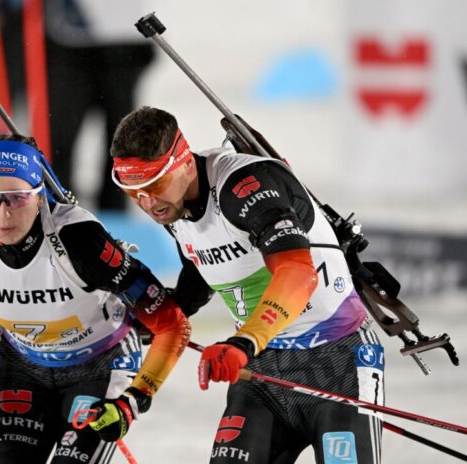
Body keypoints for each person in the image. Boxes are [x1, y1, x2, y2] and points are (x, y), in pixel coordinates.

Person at [109, 107, 384, 463]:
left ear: (185, 162)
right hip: (261, 372)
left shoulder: (243, 187)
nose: (147, 202)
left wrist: (243, 341)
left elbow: (298, 273)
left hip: (336, 358)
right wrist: (157, 315)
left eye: (154, 185)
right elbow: (201, 268)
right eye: (133, 192)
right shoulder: (173, 206)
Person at [0, 133, 191, 463]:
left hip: (100, 365)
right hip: (23, 367)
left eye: (16, 198)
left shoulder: (79, 240)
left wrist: (131, 402)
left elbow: (173, 325)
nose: (2, 215)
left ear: (40, 197)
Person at [43, 0, 155, 211]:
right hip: (70, 42)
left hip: (124, 39)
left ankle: (115, 218)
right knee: (60, 139)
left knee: (121, 141)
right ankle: (56, 211)